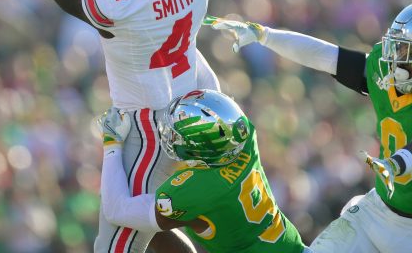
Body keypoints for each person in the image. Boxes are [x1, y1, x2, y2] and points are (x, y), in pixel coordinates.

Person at [26, 0, 221, 253]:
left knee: (116, 244)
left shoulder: (121, 4)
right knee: (158, 228)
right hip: (198, 104)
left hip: (150, 129)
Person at [208, 1, 412, 252]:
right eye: (398, 46)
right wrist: (265, 35)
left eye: (411, 51)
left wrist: (399, 162)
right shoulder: (388, 74)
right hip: (375, 209)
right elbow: (326, 56)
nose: (398, 57)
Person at [99, 89, 308, 253]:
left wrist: (111, 143)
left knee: (146, 224)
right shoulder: (242, 137)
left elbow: (115, 210)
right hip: (294, 247)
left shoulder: (198, 189)